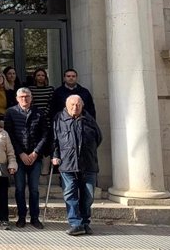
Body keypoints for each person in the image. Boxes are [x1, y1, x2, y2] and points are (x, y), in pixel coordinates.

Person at [52, 95, 102, 236]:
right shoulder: (59, 119)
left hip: (88, 163)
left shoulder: (89, 119)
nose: (75, 107)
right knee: (70, 194)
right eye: (72, 105)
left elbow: (98, 138)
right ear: (67, 105)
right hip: (67, 163)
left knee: (88, 195)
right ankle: (75, 223)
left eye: (78, 105)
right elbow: (54, 140)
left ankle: (85, 222)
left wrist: (88, 150)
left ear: (82, 105)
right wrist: (55, 155)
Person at [5, 87, 48, 229]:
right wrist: (21, 154)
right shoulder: (10, 112)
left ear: (31, 98)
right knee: (19, 188)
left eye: (27, 96)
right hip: (19, 157)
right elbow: (9, 135)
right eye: (22, 96)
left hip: (35, 157)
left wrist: (35, 152)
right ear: (17, 98)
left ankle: (35, 217)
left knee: (34, 189)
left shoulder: (39, 113)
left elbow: (45, 135)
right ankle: (21, 217)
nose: (24, 99)